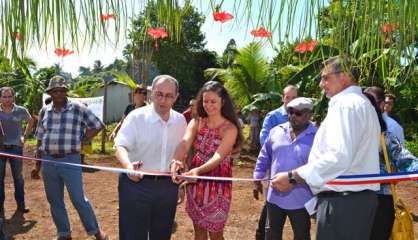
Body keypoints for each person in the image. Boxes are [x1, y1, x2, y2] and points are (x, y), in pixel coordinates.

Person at [271, 56, 381, 240]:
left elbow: (339, 157)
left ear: (344, 76)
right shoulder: (362, 104)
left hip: (343, 203)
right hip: (355, 202)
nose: (322, 84)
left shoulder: (346, 105)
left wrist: (294, 177)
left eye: (325, 77)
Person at [34, 76, 107, 240]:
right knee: (54, 200)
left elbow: (98, 125)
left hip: (70, 160)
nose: (58, 93)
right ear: (50, 93)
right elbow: (39, 137)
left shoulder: (78, 108)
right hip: (48, 161)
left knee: (78, 199)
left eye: (62, 90)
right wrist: (37, 165)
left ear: (66, 92)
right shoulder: (44, 111)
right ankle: (64, 233)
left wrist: (83, 139)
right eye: (55, 91)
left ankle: (96, 232)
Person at [114, 75, 187, 240]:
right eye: (159, 94)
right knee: (132, 235)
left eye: (169, 96)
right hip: (135, 185)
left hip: (168, 187)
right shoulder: (136, 117)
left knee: (162, 235)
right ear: (151, 93)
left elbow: (181, 154)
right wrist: (128, 166)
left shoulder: (180, 121)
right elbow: (120, 146)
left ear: (176, 97)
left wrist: (180, 185)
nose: (163, 100)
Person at [171, 81, 243, 240]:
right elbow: (184, 143)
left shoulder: (230, 128)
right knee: (199, 231)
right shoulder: (197, 121)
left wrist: (197, 171)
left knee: (216, 233)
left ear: (222, 102)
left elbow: (219, 156)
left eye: (213, 101)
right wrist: (176, 161)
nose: (208, 105)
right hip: (195, 180)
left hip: (217, 181)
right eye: (205, 101)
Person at [254, 97, 316, 240]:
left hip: (302, 199)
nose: (292, 116)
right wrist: (257, 178)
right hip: (274, 197)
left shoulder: (317, 137)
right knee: (271, 234)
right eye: (290, 112)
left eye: (298, 113)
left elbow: (320, 167)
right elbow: (264, 156)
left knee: (301, 235)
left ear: (308, 115)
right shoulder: (276, 131)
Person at [363, 88, 418, 240]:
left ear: (381, 106)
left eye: (372, 102)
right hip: (355, 201)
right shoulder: (350, 137)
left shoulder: (386, 136)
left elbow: (406, 161)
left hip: (381, 200)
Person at [255, 84, 298, 240]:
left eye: (294, 98)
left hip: (295, 171)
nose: (291, 100)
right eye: (288, 97)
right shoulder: (273, 116)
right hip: (274, 167)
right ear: (283, 98)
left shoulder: (303, 117)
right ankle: (261, 234)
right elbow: (264, 139)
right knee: (271, 203)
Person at [0, 87, 34, 216]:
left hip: (16, 148)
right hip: (0, 149)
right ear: (0, 98)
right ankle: (0, 207)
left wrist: (24, 136)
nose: (7, 99)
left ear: (14, 97)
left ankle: (21, 205)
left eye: (9, 97)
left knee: (18, 178)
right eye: (4, 96)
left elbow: (30, 121)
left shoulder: (21, 110)